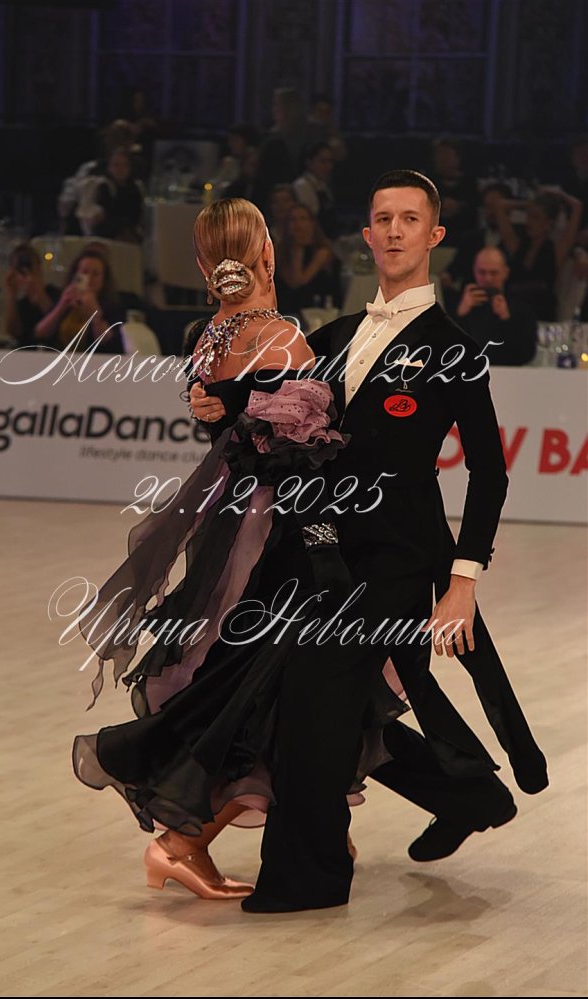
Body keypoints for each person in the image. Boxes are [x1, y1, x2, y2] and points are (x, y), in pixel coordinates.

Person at [191, 174, 548, 912]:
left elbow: (489, 471)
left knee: (316, 699)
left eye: (409, 219)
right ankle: (468, 794)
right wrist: (214, 400)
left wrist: (463, 580)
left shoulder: (456, 350)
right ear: (366, 234)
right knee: (331, 702)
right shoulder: (336, 334)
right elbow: (275, 397)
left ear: (434, 235)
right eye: (382, 217)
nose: (393, 230)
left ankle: (309, 878)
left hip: (397, 558)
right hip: (321, 551)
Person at [72, 197, 408, 908]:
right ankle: (183, 840)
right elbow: (299, 460)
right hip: (274, 528)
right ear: (267, 255)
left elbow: (233, 430)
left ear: (204, 266)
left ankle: (313, 827)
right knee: (267, 680)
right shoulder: (281, 339)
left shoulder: (210, 335)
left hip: (228, 517)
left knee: (244, 670)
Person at [493, 188, 583, 320]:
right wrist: (529, 204)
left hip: (540, 315)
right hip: (512, 313)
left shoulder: (555, 251)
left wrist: (559, 194)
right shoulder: (517, 247)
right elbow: (500, 205)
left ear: (548, 222)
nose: (529, 221)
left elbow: (577, 206)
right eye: (528, 215)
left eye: (536, 217)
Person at [454, 247, 537, 365]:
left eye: (494, 273)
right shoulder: (458, 303)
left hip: (507, 371)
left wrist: (506, 319)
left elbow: (527, 354)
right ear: (474, 271)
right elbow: (442, 348)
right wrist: (460, 315)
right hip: (466, 369)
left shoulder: (521, 306)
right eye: (482, 272)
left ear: (505, 272)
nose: (488, 279)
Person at [35, 249, 124, 352]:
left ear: (103, 279)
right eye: (84, 272)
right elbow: (40, 333)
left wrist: (95, 313)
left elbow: (108, 342)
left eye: (95, 274)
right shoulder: (64, 298)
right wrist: (62, 305)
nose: (89, 278)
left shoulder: (113, 306)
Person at [275, 203, 342, 317]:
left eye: (303, 219)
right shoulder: (281, 251)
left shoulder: (322, 250)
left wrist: (298, 250)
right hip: (287, 308)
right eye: (292, 220)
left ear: (312, 223)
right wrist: (295, 249)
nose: (297, 224)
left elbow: (300, 281)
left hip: (316, 307)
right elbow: (289, 283)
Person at [3, 243, 59, 348]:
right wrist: (11, 293)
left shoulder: (56, 294)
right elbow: (13, 332)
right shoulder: (20, 305)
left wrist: (37, 289)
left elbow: (57, 324)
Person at [92, 147, 145, 243]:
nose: (121, 169)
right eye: (116, 165)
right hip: (108, 238)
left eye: (125, 165)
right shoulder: (104, 187)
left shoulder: (136, 188)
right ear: (109, 167)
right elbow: (102, 218)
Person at [292, 142, 338, 237]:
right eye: (323, 161)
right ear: (309, 162)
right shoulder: (302, 186)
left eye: (330, 162)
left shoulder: (323, 185)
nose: (328, 167)